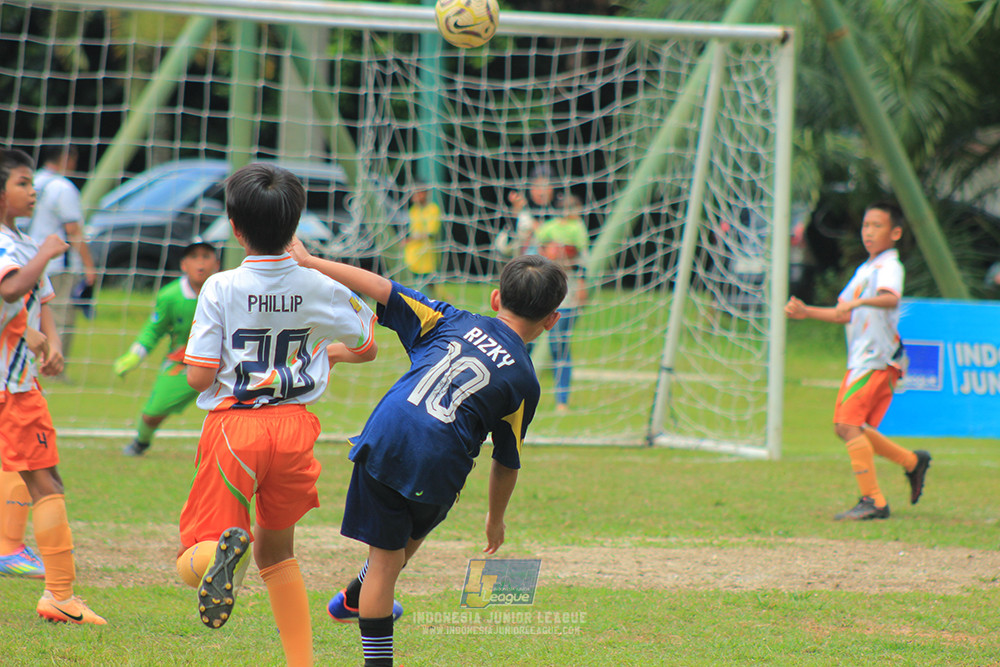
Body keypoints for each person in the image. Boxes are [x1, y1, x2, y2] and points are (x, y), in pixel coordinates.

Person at [288, 240, 567, 667]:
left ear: (496, 298)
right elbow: (506, 462)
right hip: (442, 467)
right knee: (390, 560)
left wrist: (309, 262)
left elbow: (380, 287)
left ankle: (354, 599)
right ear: (551, 321)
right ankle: (368, 634)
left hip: (387, 437)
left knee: (389, 556)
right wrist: (495, 519)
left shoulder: (449, 318)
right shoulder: (525, 382)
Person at [175, 163, 377, 667]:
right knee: (279, 554)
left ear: (235, 228)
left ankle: (218, 555)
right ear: (297, 225)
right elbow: (368, 343)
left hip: (235, 429)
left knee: (195, 554)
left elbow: (199, 378)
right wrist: (327, 354)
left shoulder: (219, 287)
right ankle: (301, 662)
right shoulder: (318, 284)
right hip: (293, 430)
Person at [0, 148, 106, 624]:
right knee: (46, 481)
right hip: (10, 391)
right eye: (22, 182)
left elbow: (36, 300)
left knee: (42, 477)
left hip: (23, 386)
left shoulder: (19, 243)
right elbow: (8, 290)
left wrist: (52, 340)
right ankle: (59, 594)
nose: (32, 190)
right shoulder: (11, 247)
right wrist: (45, 251)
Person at [784, 201, 932, 521]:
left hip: (877, 359)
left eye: (877, 226)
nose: (868, 232)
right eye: (866, 225)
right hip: (863, 360)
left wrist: (864, 299)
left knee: (848, 426)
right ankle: (911, 462)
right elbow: (843, 312)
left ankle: (874, 500)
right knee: (848, 426)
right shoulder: (864, 270)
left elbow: (891, 297)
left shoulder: (889, 267)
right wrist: (806, 312)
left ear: (894, 233)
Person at [113, 238, 220, 456]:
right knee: (152, 413)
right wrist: (134, 356)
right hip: (183, 365)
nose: (200, 263)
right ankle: (141, 442)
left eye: (206, 256)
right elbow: (153, 330)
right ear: (183, 265)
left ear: (216, 264)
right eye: (194, 257)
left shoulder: (226, 290)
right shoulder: (170, 296)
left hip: (226, 365)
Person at [22, 144, 97, 375]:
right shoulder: (63, 187)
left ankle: (29, 362)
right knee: (61, 317)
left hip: (28, 261)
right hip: (57, 263)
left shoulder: (32, 182)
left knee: (34, 315)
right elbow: (73, 229)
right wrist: (88, 266)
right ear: (66, 158)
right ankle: (54, 368)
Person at [535, 193, 590, 412]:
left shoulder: (578, 230)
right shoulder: (550, 228)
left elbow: (582, 259)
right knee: (543, 343)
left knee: (559, 344)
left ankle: (562, 400)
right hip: (548, 290)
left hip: (570, 292)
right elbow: (538, 244)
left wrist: (583, 283)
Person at [502, 164, 556, 257]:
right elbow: (504, 249)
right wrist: (514, 214)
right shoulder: (523, 214)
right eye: (536, 186)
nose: (540, 192)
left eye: (545, 186)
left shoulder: (563, 212)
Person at [402, 183, 442, 295]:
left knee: (430, 285)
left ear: (424, 193)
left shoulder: (432, 209)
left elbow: (431, 232)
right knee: (409, 284)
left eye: (417, 193)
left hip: (426, 254)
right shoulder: (413, 210)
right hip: (411, 254)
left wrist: (412, 238)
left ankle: (444, 298)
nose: (415, 196)